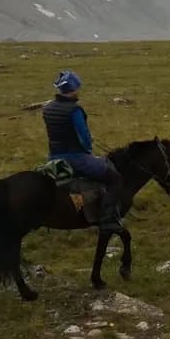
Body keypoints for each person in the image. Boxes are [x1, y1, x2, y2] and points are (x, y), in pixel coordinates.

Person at [41, 70, 125, 230]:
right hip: (76, 159)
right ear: (74, 87)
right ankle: (108, 219)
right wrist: (88, 148)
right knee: (115, 179)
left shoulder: (48, 108)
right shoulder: (74, 110)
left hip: (53, 158)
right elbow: (85, 140)